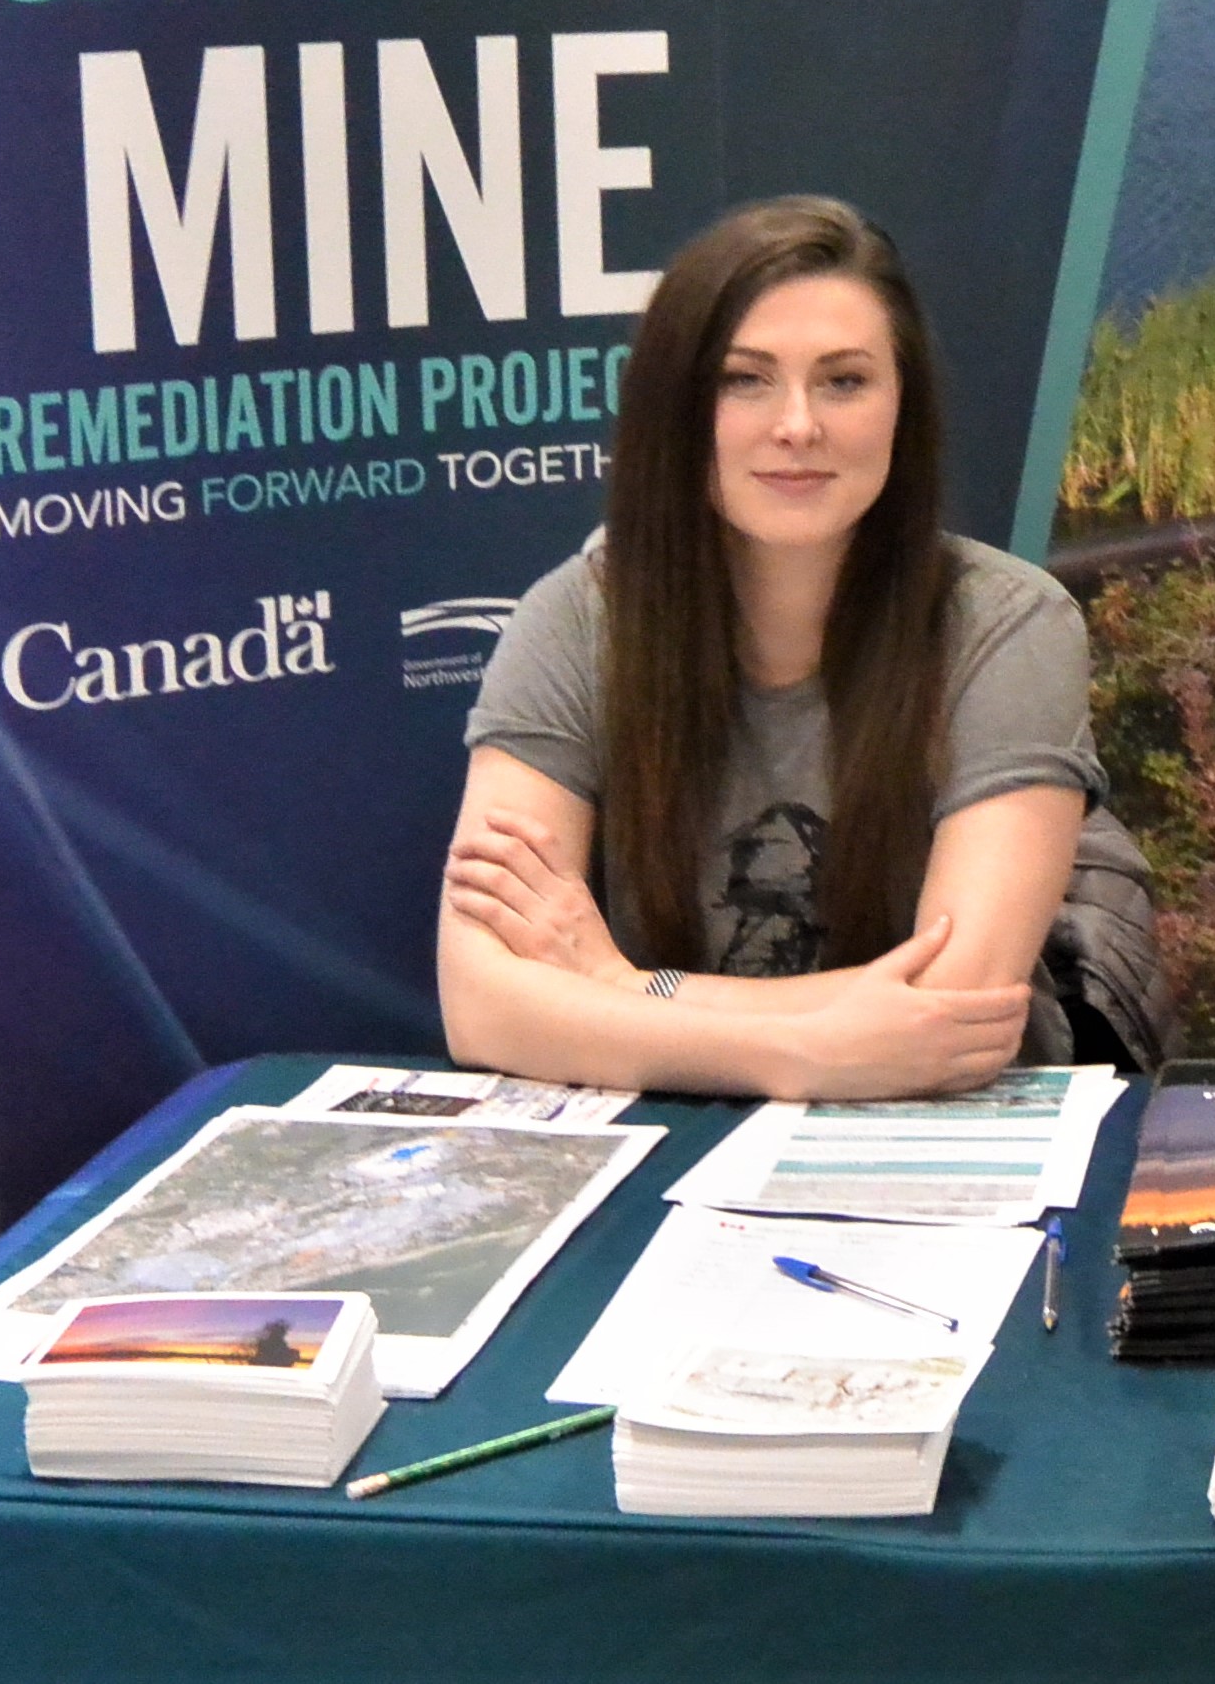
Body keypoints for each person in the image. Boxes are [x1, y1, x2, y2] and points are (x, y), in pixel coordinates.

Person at [437, 197, 1165, 1096]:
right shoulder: (579, 617)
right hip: (679, 1138)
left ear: (904, 405)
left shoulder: (1009, 624)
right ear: (678, 408)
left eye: (844, 381)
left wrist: (623, 989)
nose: (796, 425)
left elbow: (955, 1010)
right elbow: (480, 1003)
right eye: (745, 380)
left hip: (958, 1144)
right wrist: (810, 1049)